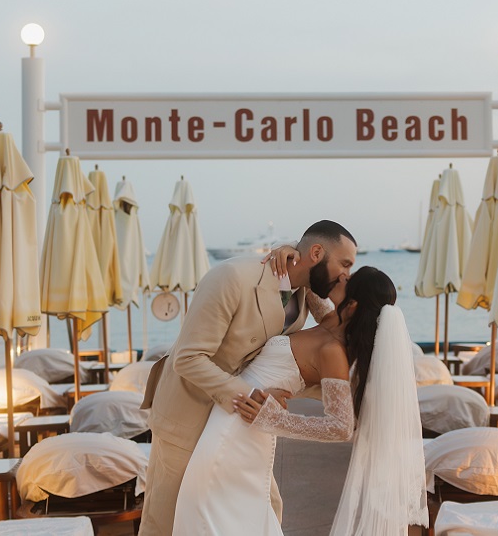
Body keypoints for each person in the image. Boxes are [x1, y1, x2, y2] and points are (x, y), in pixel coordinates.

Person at [139, 220, 358, 536]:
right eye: (345, 263)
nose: (346, 274)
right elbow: (188, 358)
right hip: (189, 416)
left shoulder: (305, 292)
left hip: (241, 424)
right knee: (170, 522)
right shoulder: (231, 278)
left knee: (265, 510)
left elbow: (333, 332)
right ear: (317, 252)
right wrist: (251, 394)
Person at [173, 267, 429, 535]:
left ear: (352, 305)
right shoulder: (329, 318)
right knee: (209, 507)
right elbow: (307, 277)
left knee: (208, 507)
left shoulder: (333, 352)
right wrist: (288, 250)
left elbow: (342, 427)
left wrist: (275, 420)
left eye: (349, 279)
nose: (343, 275)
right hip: (229, 415)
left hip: (243, 424)